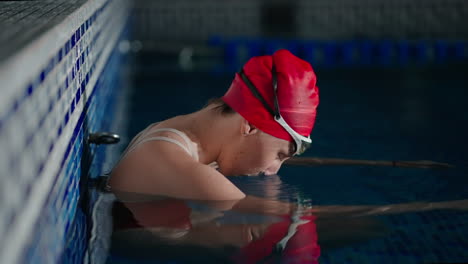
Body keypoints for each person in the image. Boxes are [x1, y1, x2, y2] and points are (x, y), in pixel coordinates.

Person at [109, 49, 320, 200]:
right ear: (250, 125)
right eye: (280, 156)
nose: (273, 170)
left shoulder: (173, 135)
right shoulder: (174, 161)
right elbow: (277, 221)